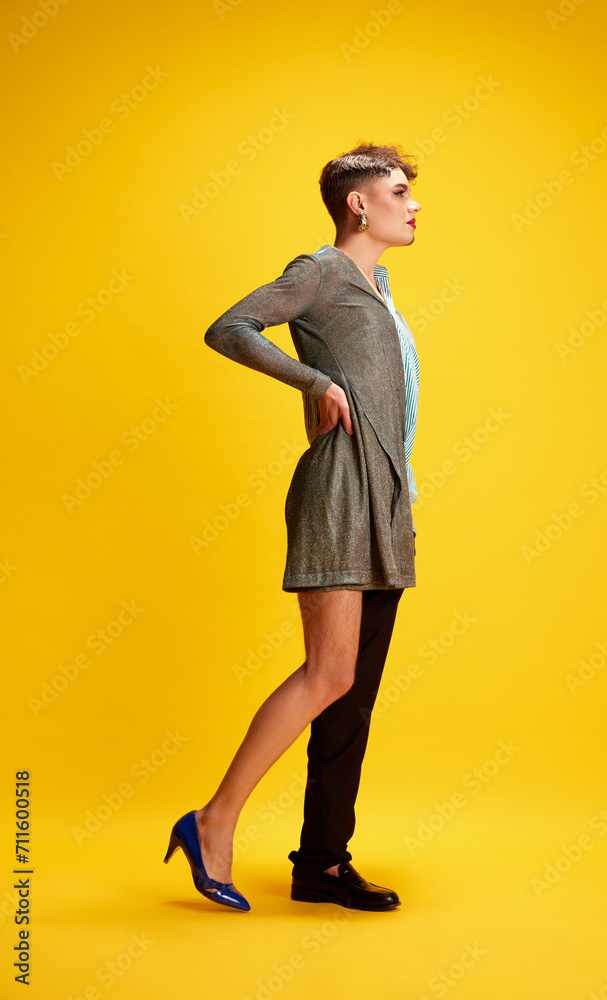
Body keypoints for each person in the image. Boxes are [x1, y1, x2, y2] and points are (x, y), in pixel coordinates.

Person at [164, 142, 422, 912]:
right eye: (399, 192)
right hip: (339, 491)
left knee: (350, 696)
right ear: (358, 204)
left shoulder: (377, 289)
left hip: (386, 500)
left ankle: (321, 863)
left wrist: (402, 494)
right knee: (329, 675)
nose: (413, 205)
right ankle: (213, 819)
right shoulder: (322, 271)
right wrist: (313, 381)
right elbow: (231, 327)